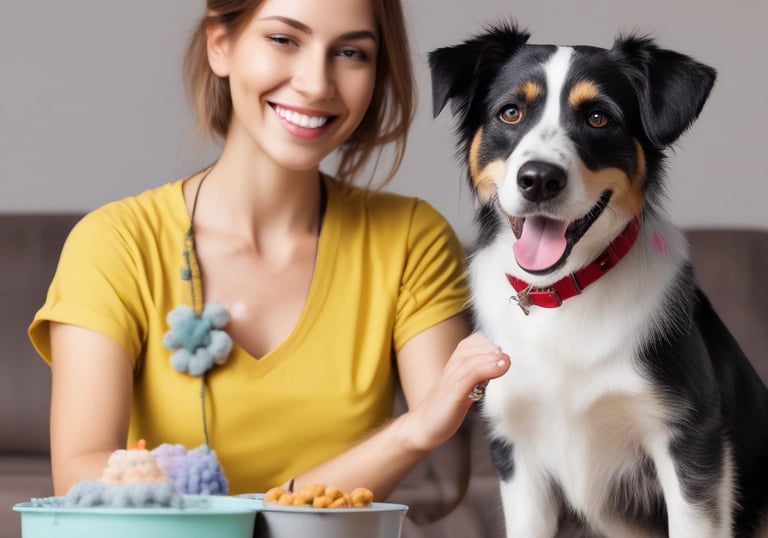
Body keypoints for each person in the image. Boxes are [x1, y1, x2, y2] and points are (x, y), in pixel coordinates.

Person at [28, 0, 510, 500]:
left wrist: (420, 427)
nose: (317, 83)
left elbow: (441, 417)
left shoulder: (411, 239)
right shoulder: (114, 244)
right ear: (221, 44)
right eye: (283, 40)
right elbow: (79, 473)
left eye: (351, 53)